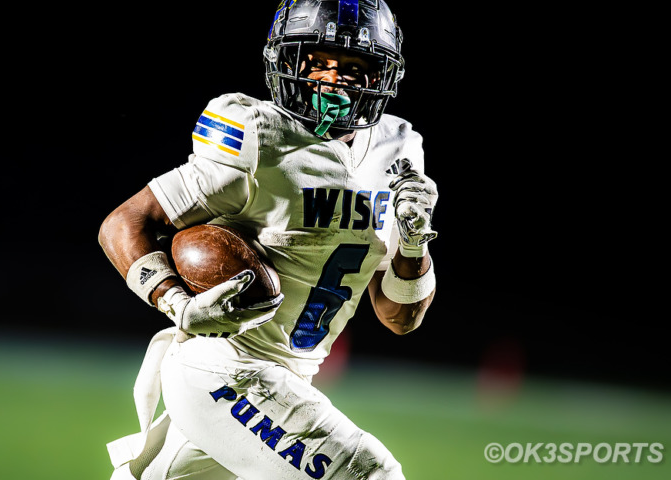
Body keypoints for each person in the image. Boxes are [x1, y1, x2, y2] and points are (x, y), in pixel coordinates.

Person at [98, 1, 438, 478]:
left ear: (382, 75)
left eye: (354, 66)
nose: (334, 80)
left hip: (288, 379)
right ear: (287, 62)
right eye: (318, 62)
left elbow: (400, 318)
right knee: (372, 473)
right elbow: (123, 222)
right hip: (223, 368)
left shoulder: (397, 151)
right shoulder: (258, 137)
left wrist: (414, 243)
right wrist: (176, 302)